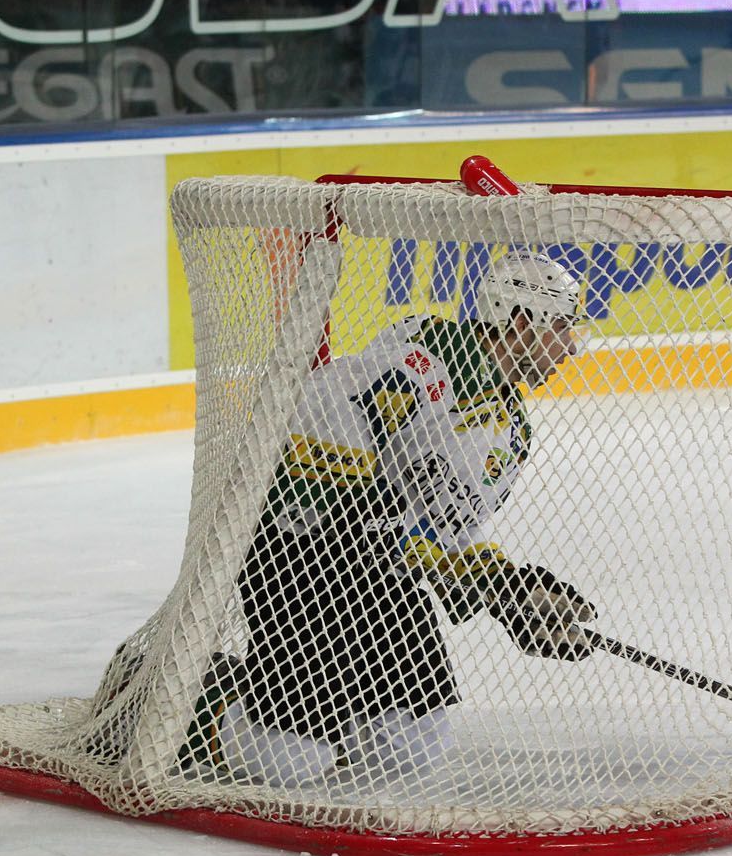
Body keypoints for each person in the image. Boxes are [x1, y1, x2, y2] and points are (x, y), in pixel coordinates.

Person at [212, 250, 597, 787]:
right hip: (299, 558)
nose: (570, 345)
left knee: (411, 751)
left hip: (381, 573)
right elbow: (319, 399)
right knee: (285, 761)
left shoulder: (512, 432)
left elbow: (444, 530)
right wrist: (355, 506)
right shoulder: (425, 360)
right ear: (519, 321)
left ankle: (330, 710)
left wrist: (512, 595)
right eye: (561, 326)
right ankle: (202, 694)